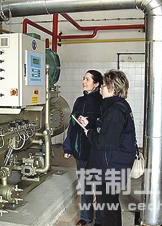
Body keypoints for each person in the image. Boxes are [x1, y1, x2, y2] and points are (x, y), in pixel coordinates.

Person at [79, 69, 137, 226]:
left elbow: (104, 142)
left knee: (107, 206)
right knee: (109, 204)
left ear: (112, 88)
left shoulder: (115, 110)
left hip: (111, 167)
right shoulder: (116, 106)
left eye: (103, 85)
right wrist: (90, 125)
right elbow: (108, 131)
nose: (101, 88)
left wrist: (87, 132)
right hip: (113, 165)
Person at [63, 70, 103, 226]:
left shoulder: (101, 101)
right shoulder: (79, 101)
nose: (83, 81)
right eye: (83, 78)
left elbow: (103, 125)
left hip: (96, 150)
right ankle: (86, 218)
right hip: (81, 151)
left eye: (87, 79)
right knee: (84, 185)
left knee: (99, 187)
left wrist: (90, 121)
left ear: (96, 84)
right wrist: (68, 147)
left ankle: (100, 219)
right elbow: (72, 126)